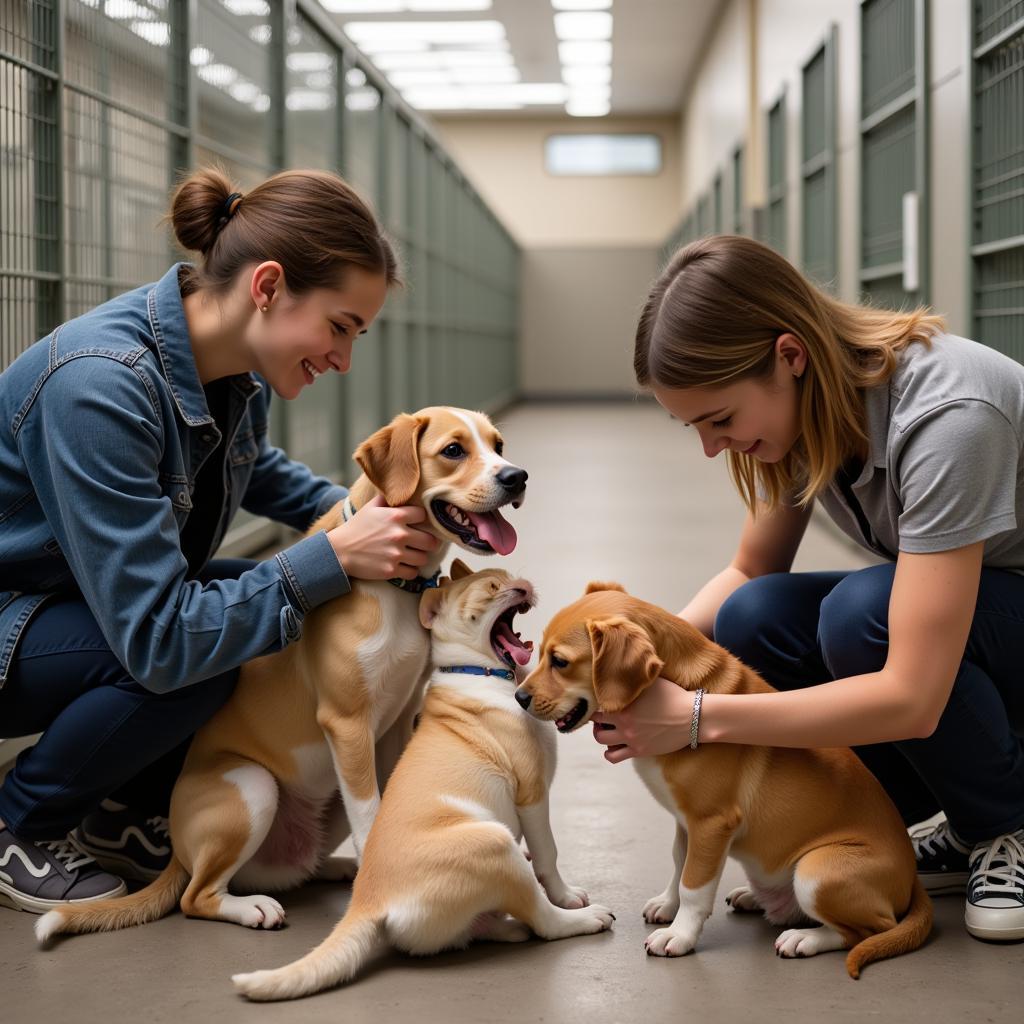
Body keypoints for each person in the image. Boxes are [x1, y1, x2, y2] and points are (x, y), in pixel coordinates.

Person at [0, 167, 439, 914]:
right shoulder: (100, 386)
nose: (343, 358)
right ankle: (16, 823)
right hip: (13, 624)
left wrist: (376, 513)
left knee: (251, 597)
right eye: (339, 326)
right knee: (211, 644)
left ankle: (120, 811)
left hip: (64, 608)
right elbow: (159, 639)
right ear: (267, 286)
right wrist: (332, 556)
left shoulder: (231, 370)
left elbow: (258, 470)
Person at [591, 234, 1024, 943]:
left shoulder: (950, 418)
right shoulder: (808, 410)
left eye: (720, 419)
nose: (711, 448)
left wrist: (698, 715)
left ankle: (1006, 822)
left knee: (862, 618)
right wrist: (629, 659)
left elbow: (913, 698)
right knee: (755, 617)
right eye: (693, 426)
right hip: (998, 610)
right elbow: (750, 574)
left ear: (789, 356)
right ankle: (940, 808)